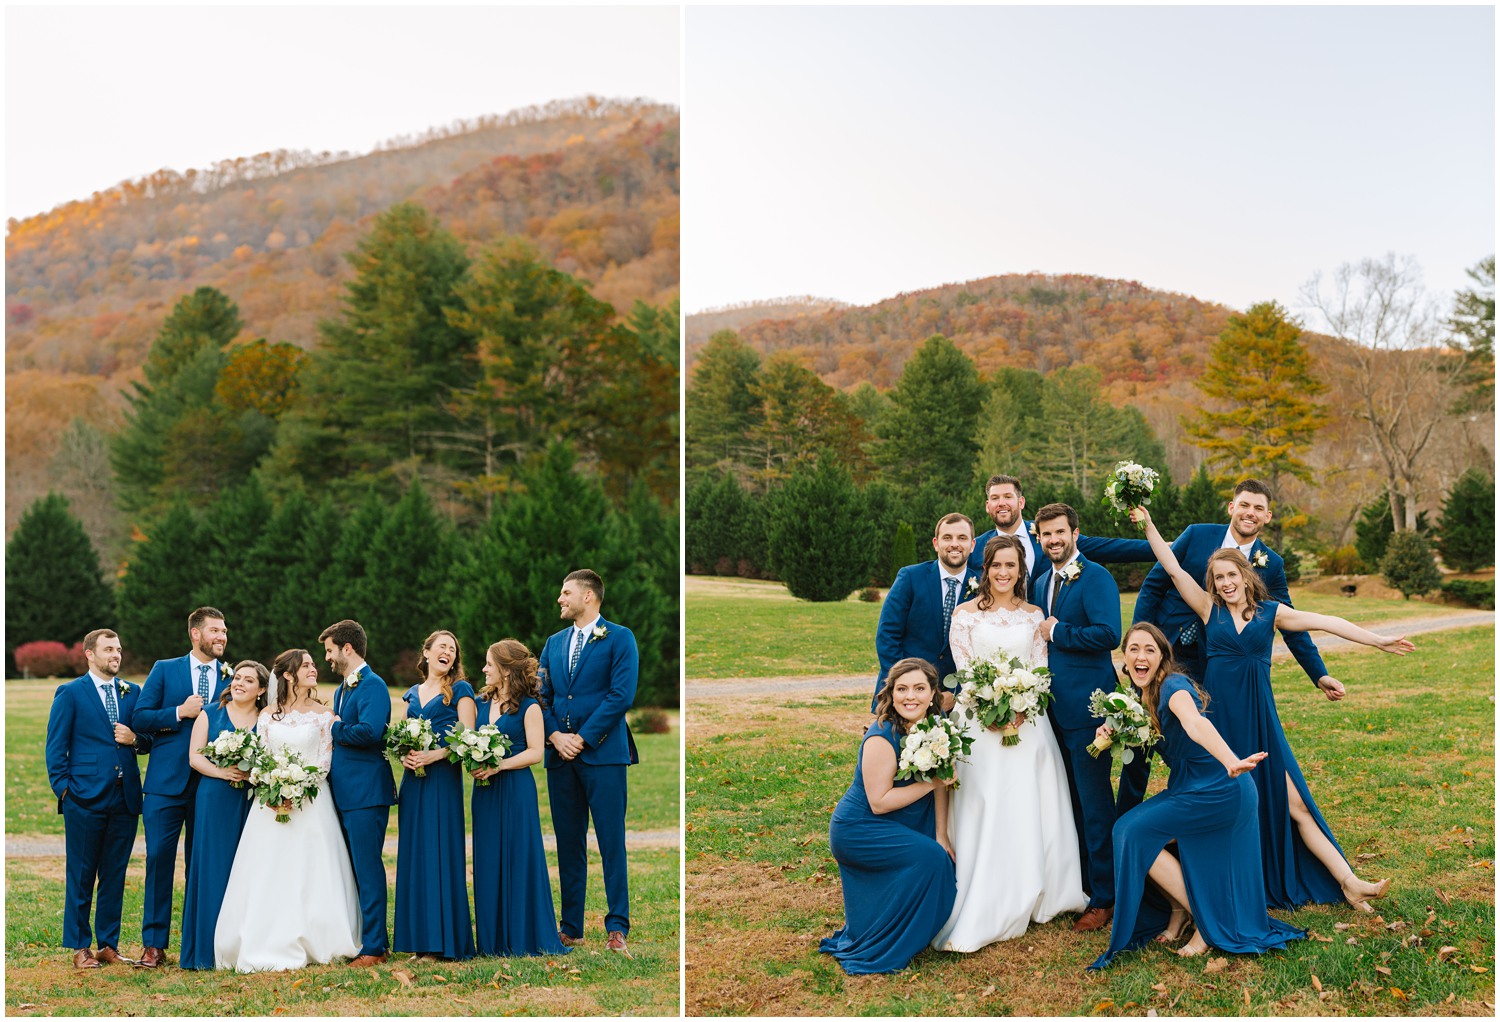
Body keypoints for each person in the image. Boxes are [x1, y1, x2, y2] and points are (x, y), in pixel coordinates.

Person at [1131, 504, 1410, 910]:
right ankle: (1211, 891)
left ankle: (1349, 881)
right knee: (1227, 806)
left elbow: (1327, 621)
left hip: (1260, 720)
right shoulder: (1209, 611)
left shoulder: (1270, 614)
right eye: (1218, 578)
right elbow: (1172, 567)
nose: (1226, 583)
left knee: (1295, 803)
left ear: (1246, 577)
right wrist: (1151, 525)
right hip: (1220, 724)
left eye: (1231, 576)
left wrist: (1378, 641)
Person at [1090, 623, 1306, 969]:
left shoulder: (1174, 686)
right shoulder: (1138, 696)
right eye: (1134, 649)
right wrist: (1112, 729)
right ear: (1125, 658)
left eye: (1150, 649)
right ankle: (1181, 913)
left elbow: (1194, 723)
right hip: (1190, 786)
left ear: (1162, 658)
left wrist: (1230, 760)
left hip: (1219, 788)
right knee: (1140, 833)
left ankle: (1204, 920)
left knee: (1129, 831)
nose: (1141, 656)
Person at [1117, 479, 1338, 816]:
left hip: (1215, 665)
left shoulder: (1271, 564)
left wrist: (1318, 674)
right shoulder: (1196, 535)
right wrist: (1139, 647)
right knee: (1144, 735)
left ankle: (1201, 809)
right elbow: (1156, 584)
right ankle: (1124, 824)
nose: (1250, 513)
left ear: (1267, 516)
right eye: (1245, 505)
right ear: (1232, 507)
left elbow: (1290, 622)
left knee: (1199, 740)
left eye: (1258, 509)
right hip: (1164, 654)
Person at [932, 534, 1087, 952]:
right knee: (986, 800)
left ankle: (1041, 889)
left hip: (1028, 723)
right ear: (986, 569)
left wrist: (1021, 706)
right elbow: (964, 669)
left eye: (1011, 566)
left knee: (1028, 802)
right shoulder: (965, 616)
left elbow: (1040, 669)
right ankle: (987, 889)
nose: (1003, 573)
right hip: (977, 719)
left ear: (1021, 572)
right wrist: (988, 706)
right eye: (997, 565)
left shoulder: (1034, 615)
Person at [215, 649, 361, 971]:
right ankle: (265, 935)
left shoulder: (325, 716)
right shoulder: (268, 716)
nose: (314, 669)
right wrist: (274, 785)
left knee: (312, 869)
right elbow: (263, 757)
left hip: (311, 800)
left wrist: (298, 787)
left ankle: (318, 935)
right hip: (269, 802)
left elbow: (325, 760)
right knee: (269, 869)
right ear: (289, 675)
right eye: (306, 665)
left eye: (313, 664)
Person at [821, 658, 956, 974]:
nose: (911, 697)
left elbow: (941, 782)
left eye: (920, 688)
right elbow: (879, 801)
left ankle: (902, 927)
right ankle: (888, 943)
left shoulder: (936, 727)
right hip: (859, 829)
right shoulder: (882, 735)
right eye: (902, 689)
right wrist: (933, 782)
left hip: (901, 819)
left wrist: (941, 833)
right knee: (931, 861)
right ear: (891, 694)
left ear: (933, 693)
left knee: (941, 854)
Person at [1032, 502, 1123, 934]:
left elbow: (1109, 634)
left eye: (1060, 533)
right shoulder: (1039, 583)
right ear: (1039, 537)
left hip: (1089, 711)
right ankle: (1080, 884)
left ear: (1075, 533)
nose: (1053, 540)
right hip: (1050, 713)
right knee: (1065, 803)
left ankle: (1105, 896)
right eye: (1046, 534)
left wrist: (1058, 632)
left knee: (1094, 804)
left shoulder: (1096, 577)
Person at [540, 569, 638, 953]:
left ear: (588, 597)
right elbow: (542, 696)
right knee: (568, 843)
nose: (560, 600)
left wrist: (581, 738)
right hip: (560, 758)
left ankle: (617, 927)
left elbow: (621, 695)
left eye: (566, 593)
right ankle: (571, 926)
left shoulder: (619, 638)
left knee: (611, 841)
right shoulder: (554, 642)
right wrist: (554, 736)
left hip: (604, 756)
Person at [45, 629, 151, 969]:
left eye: (118, 649)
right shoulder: (71, 693)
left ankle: (108, 944)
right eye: (108, 650)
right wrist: (65, 790)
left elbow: (148, 739)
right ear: (89, 654)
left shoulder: (132, 692)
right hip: (84, 798)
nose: (115, 655)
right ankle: (80, 946)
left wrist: (135, 738)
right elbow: (55, 746)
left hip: (125, 798)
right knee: (81, 873)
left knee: (114, 874)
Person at [132, 606, 230, 968]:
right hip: (165, 785)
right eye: (215, 631)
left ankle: (199, 941)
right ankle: (154, 945)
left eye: (224, 631)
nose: (221, 637)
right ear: (195, 633)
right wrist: (178, 712)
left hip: (211, 785)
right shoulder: (164, 669)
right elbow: (140, 718)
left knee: (203, 863)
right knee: (159, 859)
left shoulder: (233, 677)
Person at [471, 639, 571, 957]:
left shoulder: (529, 706)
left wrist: (498, 764)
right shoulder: (480, 702)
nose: (484, 669)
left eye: (489, 663)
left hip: (516, 790)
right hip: (485, 793)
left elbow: (535, 752)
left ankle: (523, 935)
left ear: (504, 669)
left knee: (518, 857)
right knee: (487, 860)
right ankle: (491, 941)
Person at [394, 630, 476, 961]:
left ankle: (444, 941)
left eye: (453, 650)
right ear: (426, 653)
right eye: (441, 647)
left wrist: (435, 755)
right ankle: (419, 941)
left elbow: (468, 738)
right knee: (414, 856)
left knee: (439, 852)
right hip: (413, 782)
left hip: (442, 780)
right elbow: (401, 737)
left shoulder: (461, 690)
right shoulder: (412, 694)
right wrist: (404, 756)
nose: (448, 653)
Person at [180, 660, 266, 970]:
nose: (239, 683)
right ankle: (205, 950)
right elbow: (193, 757)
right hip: (214, 799)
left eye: (248, 680)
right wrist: (221, 771)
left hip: (250, 800)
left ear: (262, 690)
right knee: (213, 867)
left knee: (246, 869)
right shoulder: (210, 714)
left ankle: (241, 947)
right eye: (237, 677)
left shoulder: (265, 719)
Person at [322, 619, 397, 967]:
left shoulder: (374, 685)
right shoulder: (342, 688)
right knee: (351, 869)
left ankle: (375, 947)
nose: (327, 658)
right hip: (345, 792)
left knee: (367, 869)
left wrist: (334, 726)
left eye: (330, 650)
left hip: (366, 793)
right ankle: (360, 938)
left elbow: (370, 732)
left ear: (347, 648)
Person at [876, 513, 980, 712]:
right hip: (906, 696)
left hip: (957, 703)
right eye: (947, 538)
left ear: (973, 545)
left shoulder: (983, 585)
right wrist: (908, 687)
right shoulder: (910, 577)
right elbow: (887, 637)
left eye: (962, 538)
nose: (954, 544)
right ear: (935, 543)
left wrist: (958, 692)